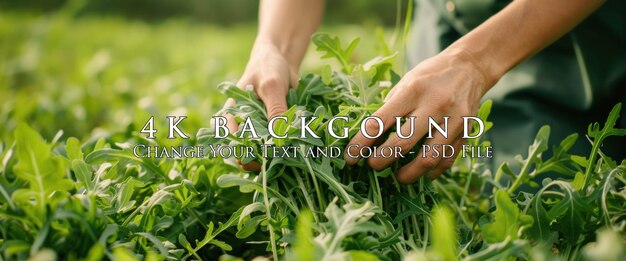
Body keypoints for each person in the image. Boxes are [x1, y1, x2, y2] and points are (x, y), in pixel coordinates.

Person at [221, 0, 626, 184]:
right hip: (448, 19)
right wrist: (275, 47)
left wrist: (475, 62)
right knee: (423, 168)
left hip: (579, 35)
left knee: (548, 195)